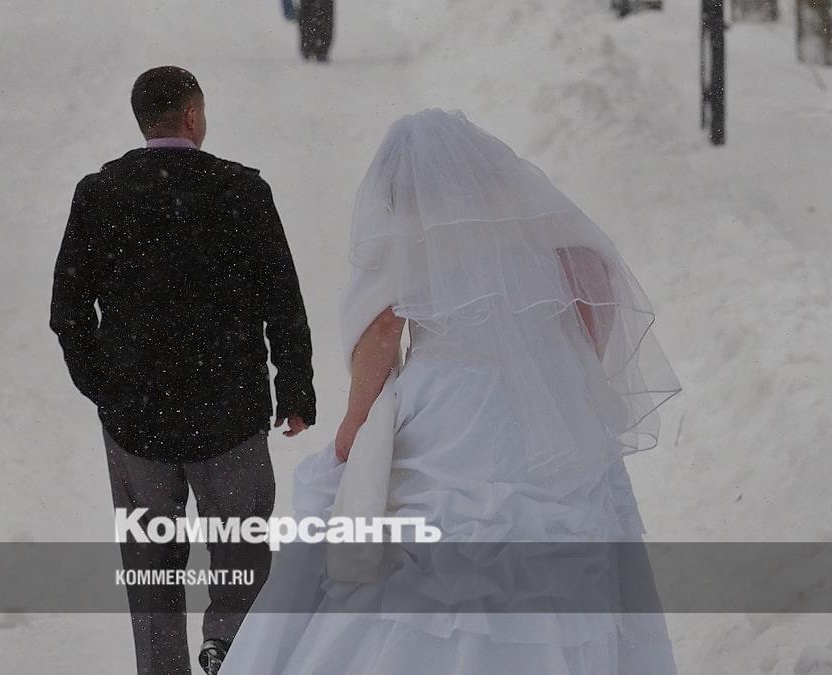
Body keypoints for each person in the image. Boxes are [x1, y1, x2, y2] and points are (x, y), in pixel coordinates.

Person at [219, 109, 682, 674]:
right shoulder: (536, 228)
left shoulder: (415, 246)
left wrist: (355, 420)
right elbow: (593, 280)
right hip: (547, 407)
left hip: (450, 402)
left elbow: (383, 330)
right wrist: (566, 373)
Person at [49, 66, 316, 675]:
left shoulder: (100, 194)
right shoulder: (242, 191)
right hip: (230, 412)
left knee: (150, 567)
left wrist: (104, 387)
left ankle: (162, 666)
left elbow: (68, 310)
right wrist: (294, 387)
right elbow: (282, 298)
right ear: (192, 116)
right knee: (241, 552)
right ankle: (230, 648)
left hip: (136, 421)